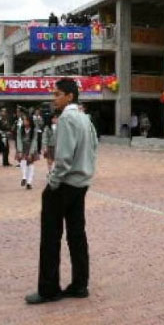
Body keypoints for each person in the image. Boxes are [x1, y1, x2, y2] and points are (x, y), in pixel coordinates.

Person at [25, 78, 98, 305]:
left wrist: (52, 182)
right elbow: (94, 147)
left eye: (57, 94)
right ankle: (80, 284)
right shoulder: (85, 117)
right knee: (77, 235)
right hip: (81, 183)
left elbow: (63, 158)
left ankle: (49, 289)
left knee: (50, 237)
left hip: (64, 184)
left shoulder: (67, 117)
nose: (53, 98)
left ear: (69, 96)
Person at [16, 114, 40, 190]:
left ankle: (29, 182)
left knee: (30, 164)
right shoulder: (20, 129)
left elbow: (34, 141)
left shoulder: (34, 130)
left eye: (26, 120)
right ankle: (24, 177)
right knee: (22, 160)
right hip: (23, 147)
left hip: (31, 147)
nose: (24, 121)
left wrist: (31, 153)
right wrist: (20, 150)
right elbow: (19, 139)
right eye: (23, 120)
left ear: (30, 121)